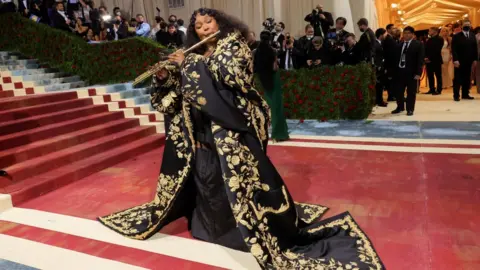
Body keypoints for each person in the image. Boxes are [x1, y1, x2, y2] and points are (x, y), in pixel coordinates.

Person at [98, 8, 384, 270]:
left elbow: (230, 79)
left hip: (229, 131)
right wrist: (164, 76)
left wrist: (191, 64)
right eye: (197, 26)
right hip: (199, 135)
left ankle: (237, 233)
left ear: (219, 22)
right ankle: (207, 228)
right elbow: (175, 98)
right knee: (205, 182)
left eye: (208, 22)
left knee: (235, 185)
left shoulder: (234, 47)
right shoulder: (194, 53)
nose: (204, 29)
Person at [254, 31, 289, 142]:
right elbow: (274, 68)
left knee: (272, 107)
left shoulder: (257, 51)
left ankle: (280, 133)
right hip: (273, 79)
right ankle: (279, 134)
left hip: (264, 81)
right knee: (277, 108)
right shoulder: (272, 51)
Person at [392, 26, 425, 116]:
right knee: (398, 91)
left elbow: (420, 60)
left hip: (411, 72)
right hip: (400, 72)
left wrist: (418, 73)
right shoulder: (400, 45)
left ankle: (410, 109)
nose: (406, 35)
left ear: (413, 34)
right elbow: (395, 59)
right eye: (404, 33)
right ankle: (400, 106)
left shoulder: (418, 44)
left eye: (408, 33)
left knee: (411, 92)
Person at [451, 19, 478, 101]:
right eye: (465, 24)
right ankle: (456, 95)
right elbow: (454, 49)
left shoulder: (473, 35)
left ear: (470, 25)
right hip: (459, 61)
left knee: (467, 77)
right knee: (458, 78)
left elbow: (475, 48)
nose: (467, 26)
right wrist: (455, 60)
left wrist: (475, 59)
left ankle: (465, 94)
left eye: (468, 24)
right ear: (462, 26)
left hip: (469, 61)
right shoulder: (456, 36)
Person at [424, 27, 444, 95]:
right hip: (428, 60)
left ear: (435, 31)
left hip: (436, 60)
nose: (428, 32)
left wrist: (429, 58)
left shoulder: (440, 39)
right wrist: (425, 57)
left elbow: (437, 50)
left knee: (438, 75)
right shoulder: (429, 39)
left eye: (430, 31)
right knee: (430, 75)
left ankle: (439, 90)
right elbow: (426, 49)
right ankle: (431, 89)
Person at [383, 24, 399, 101]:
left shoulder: (392, 38)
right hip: (390, 64)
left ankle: (393, 95)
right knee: (391, 81)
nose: (395, 30)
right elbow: (389, 53)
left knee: (393, 80)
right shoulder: (388, 39)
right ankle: (391, 96)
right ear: (388, 30)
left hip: (392, 63)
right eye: (393, 28)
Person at [374, 28, 388, 107]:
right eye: (385, 34)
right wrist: (378, 66)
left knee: (380, 85)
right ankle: (379, 101)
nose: (386, 35)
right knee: (379, 85)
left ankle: (379, 100)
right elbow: (375, 56)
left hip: (381, 67)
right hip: (378, 68)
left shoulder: (380, 43)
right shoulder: (376, 44)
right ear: (381, 35)